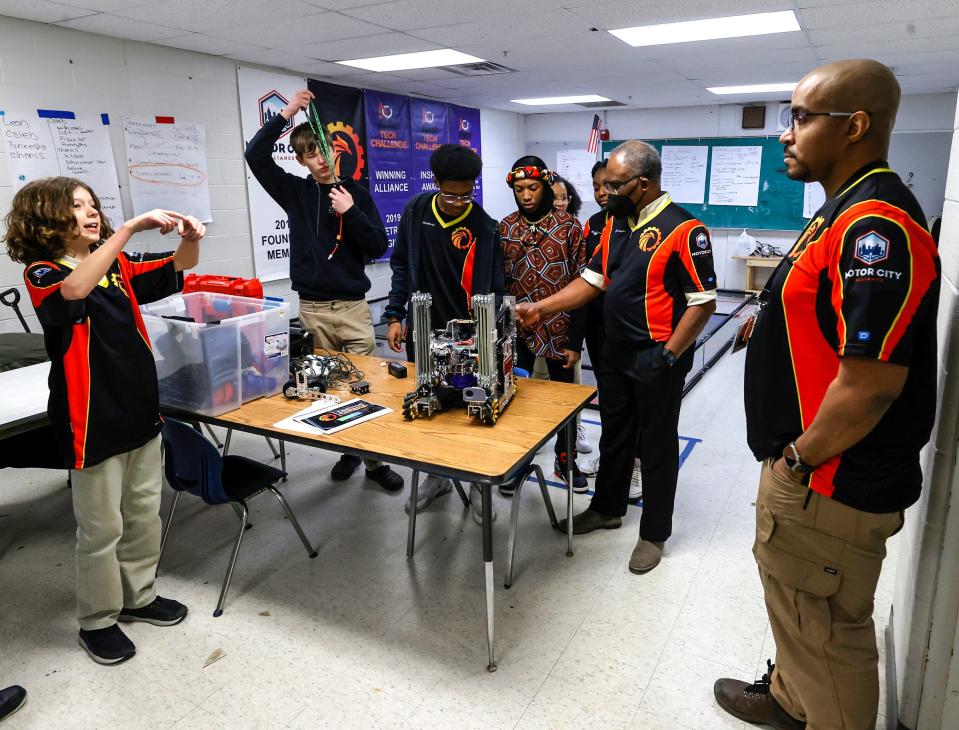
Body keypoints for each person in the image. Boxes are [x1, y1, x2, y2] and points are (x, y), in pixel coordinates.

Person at [714, 59, 940, 730]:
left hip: (827, 479)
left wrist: (796, 463)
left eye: (800, 117)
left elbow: (870, 385)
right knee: (795, 608)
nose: (785, 134)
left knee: (828, 633)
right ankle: (789, 698)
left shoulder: (876, 226)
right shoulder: (838, 211)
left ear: (855, 126)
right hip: (812, 470)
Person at [4, 178, 203, 664]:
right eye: (76, 207)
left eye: (93, 206)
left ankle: (140, 596)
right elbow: (74, 290)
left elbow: (180, 267)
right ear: (47, 218)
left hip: (139, 410)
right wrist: (131, 227)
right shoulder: (44, 272)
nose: (90, 213)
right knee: (100, 529)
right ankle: (98, 620)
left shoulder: (116, 264)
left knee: (141, 513)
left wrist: (190, 240)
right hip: (90, 421)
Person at [515, 141, 717, 574]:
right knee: (615, 435)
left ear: (642, 184)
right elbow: (592, 280)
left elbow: (702, 303)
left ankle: (654, 533)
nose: (605, 192)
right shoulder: (615, 224)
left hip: (657, 355)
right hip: (615, 352)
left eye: (614, 185)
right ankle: (607, 508)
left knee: (657, 445)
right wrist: (542, 307)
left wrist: (669, 354)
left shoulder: (685, 229)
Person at [245, 88, 403, 492]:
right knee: (329, 390)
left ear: (335, 151)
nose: (319, 158)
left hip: (352, 309)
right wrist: (288, 113)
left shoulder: (358, 194)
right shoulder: (296, 193)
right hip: (313, 310)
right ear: (300, 159)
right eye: (310, 153)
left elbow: (377, 247)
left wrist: (350, 213)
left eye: (323, 150)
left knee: (364, 387)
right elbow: (255, 156)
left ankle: (373, 461)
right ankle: (348, 449)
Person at [385, 144, 506, 523]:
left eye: (466, 194)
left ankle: (477, 483)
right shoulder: (416, 210)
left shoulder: (485, 227)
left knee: (475, 406)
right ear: (434, 182)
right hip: (423, 329)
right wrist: (393, 314)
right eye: (450, 193)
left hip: (469, 337)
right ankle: (435, 477)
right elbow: (401, 264)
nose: (457, 202)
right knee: (430, 407)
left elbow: (495, 288)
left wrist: (488, 338)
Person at [500, 156, 588, 493]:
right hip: (517, 331)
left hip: (560, 328)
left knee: (563, 400)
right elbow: (500, 281)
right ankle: (518, 460)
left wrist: (575, 341)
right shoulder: (505, 228)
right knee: (516, 396)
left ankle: (565, 461)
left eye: (533, 188)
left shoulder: (569, 227)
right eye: (519, 189)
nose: (526, 195)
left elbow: (585, 284)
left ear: (546, 187)